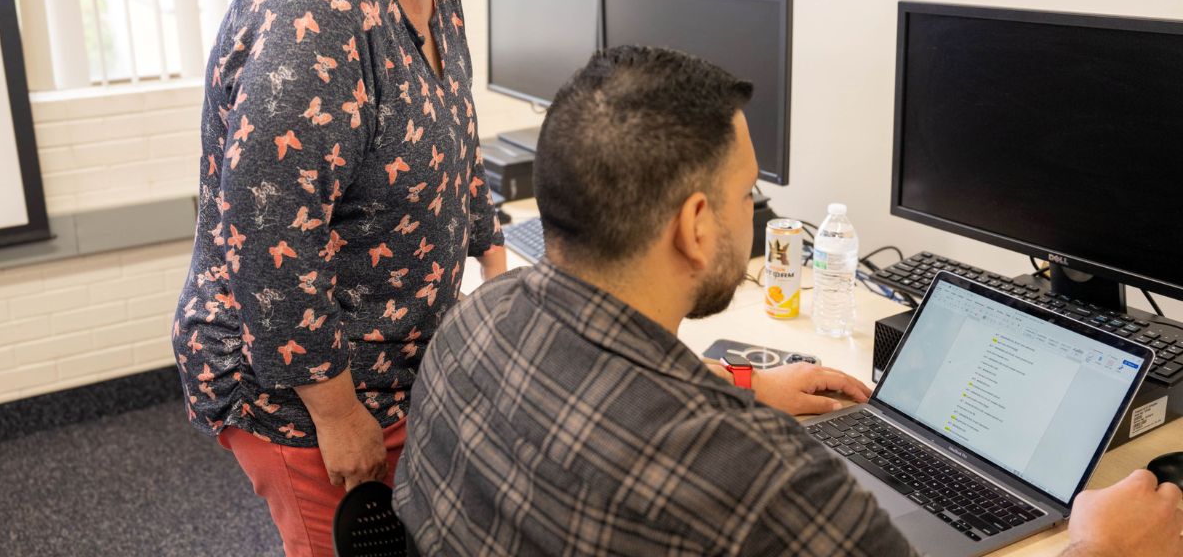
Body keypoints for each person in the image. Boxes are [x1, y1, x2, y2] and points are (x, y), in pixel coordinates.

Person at [393, 46, 1183, 556]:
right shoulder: (757, 481)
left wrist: (742, 387)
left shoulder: (472, 322)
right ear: (696, 226)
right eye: (747, 193)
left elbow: (601, 382)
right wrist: (1097, 553)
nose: (755, 210)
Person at [170, 0, 552, 556]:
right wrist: (339, 415)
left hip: (398, 369)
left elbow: (454, 136)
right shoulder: (319, 3)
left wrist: (489, 252)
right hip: (308, 396)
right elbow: (268, 232)